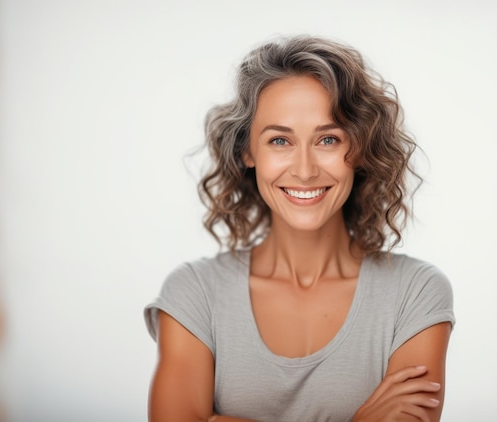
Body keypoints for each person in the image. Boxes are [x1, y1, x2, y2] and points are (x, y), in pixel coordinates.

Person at [144, 35, 455, 422]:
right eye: (280, 140)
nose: (305, 170)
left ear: (358, 149)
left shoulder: (416, 292)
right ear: (248, 151)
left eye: (328, 139)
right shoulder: (195, 294)